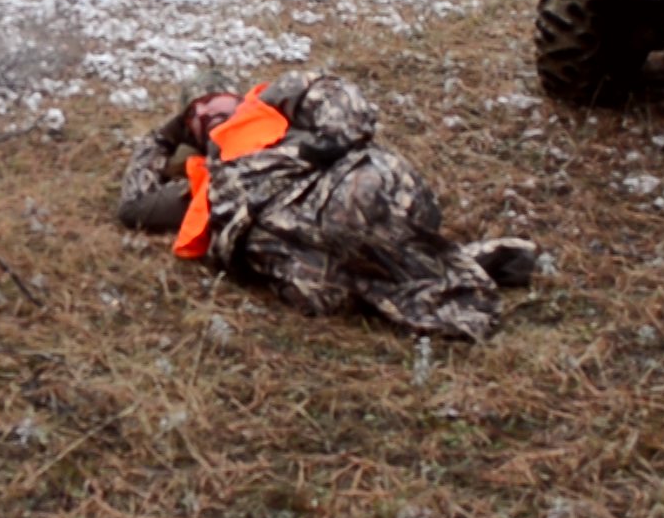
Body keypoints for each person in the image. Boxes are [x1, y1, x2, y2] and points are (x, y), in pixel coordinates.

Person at [118, 72, 536, 340]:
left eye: (211, 99)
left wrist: (308, 153)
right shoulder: (206, 183)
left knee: (354, 208)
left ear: (237, 95)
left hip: (363, 193)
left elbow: (342, 105)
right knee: (324, 290)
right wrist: (163, 136)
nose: (204, 112)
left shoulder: (278, 106)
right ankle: (461, 266)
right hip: (306, 246)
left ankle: (448, 273)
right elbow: (134, 207)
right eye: (193, 115)